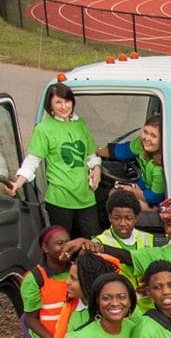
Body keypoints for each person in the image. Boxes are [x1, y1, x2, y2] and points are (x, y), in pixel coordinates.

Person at [5, 83, 102, 238]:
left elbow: (91, 155)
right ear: (50, 105)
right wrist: (18, 183)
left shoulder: (81, 124)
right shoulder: (44, 129)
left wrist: (96, 168)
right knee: (62, 247)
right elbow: (32, 161)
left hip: (86, 197)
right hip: (59, 199)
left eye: (67, 101)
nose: (64, 106)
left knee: (93, 244)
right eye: (58, 102)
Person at [94, 189, 154, 308]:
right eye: (117, 218)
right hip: (119, 308)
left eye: (128, 218)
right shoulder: (98, 243)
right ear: (109, 217)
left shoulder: (149, 239)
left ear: (136, 218)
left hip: (149, 308)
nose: (122, 223)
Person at [96, 114, 165, 210]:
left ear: (163, 140)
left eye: (153, 136)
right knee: (115, 193)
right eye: (145, 132)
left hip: (160, 204)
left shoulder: (159, 168)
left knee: (124, 204)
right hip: (143, 187)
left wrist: (131, 190)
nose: (147, 138)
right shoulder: (141, 144)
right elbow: (123, 150)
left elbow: (155, 197)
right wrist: (95, 153)